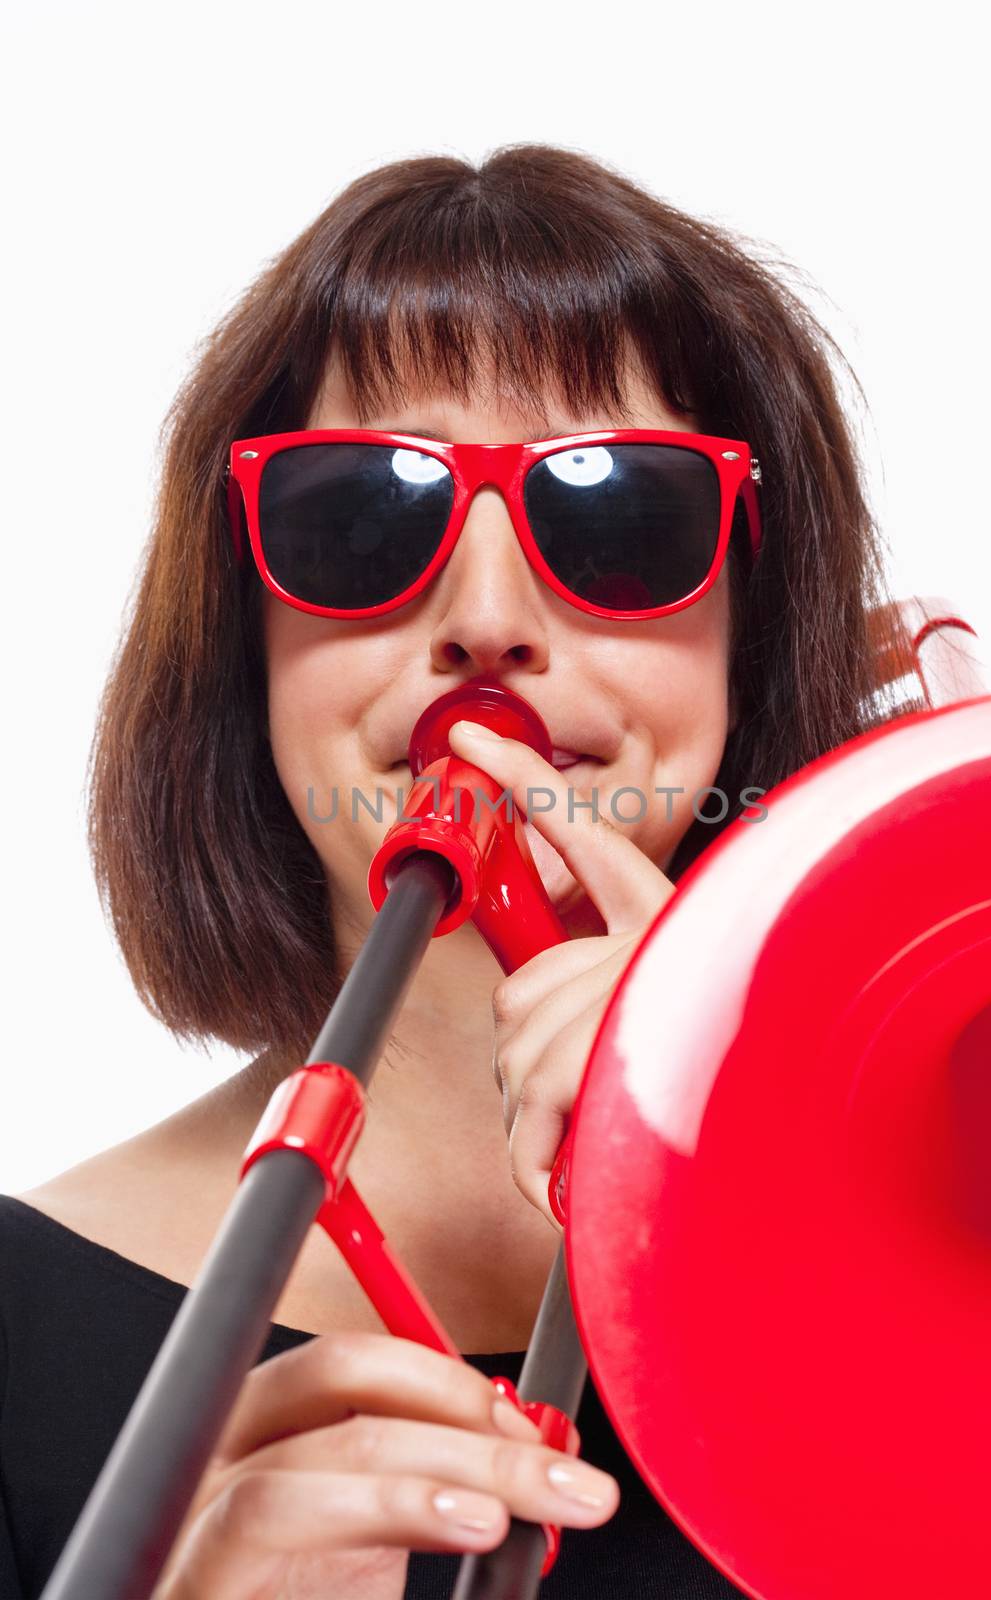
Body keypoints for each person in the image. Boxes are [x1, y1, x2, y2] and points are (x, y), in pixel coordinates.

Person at [0, 143, 915, 1599]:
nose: (487, 619)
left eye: (620, 511)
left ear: (756, 632)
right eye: (362, 514)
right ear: (247, 648)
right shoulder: (17, 1334)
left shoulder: (979, 1268)